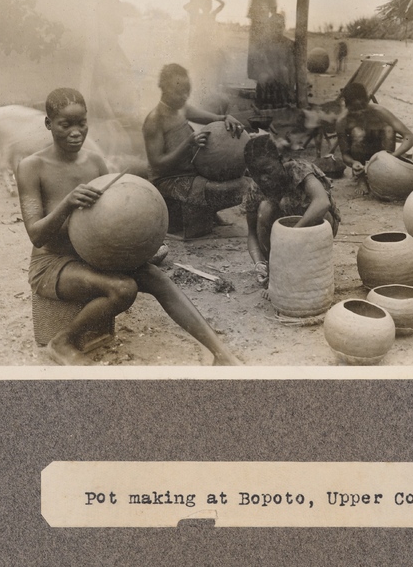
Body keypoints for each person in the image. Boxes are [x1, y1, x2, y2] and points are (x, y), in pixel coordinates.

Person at [17, 87, 241, 366]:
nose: (76, 132)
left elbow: (107, 218)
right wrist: (67, 203)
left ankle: (221, 353)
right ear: (49, 124)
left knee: (157, 277)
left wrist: (136, 241)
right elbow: (36, 235)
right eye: (65, 125)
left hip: (92, 254)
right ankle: (63, 341)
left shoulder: (94, 162)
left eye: (82, 123)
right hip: (53, 264)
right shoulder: (32, 167)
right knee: (124, 289)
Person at [142, 64, 249, 226]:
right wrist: (188, 144)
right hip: (167, 180)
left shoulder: (181, 109)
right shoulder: (155, 120)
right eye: (178, 91)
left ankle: (208, 212)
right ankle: (199, 213)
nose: (184, 96)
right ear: (162, 87)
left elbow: (213, 118)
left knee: (243, 181)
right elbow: (157, 165)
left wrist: (226, 118)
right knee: (230, 190)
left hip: (190, 172)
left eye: (187, 90)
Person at [242, 135, 341, 285]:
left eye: (267, 171)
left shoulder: (299, 169)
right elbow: (252, 234)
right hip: (282, 242)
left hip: (309, 231)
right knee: (265, 209)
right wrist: (259, 263)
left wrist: (292, 234)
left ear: (280, 160)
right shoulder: (255, 189)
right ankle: (274, 266)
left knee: (319, 214)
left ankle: (313, 266)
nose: (263, 178)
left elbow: (322, 202)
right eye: (255, 174)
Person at [336, 82, 413, 179]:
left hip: (383, 158)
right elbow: (345, 155)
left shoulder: (379, 111)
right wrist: (353, 162)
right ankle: (362, 178)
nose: (360, 112)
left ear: (367, 101)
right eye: (355, 110)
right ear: (346, 105)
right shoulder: (342, 121)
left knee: (388, 130)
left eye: (362, 108)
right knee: (358, 133)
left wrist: (392, 157)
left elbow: (410, 137)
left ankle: (383, 173)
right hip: (361, 158)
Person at [240, 0, 277, 96]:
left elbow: (274, 13)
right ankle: (258, 86)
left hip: (265, 27)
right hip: (255, 25)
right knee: (254, 55)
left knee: (265, 54)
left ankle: (264, 87)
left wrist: (273, 28)